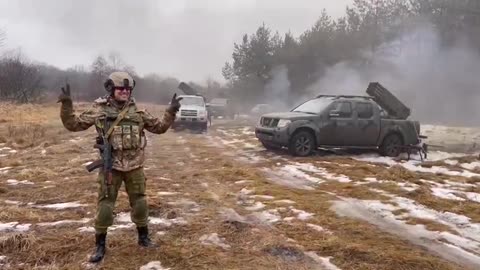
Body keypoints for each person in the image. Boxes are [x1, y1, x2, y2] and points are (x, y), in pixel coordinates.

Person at [57, 71, 182, 263]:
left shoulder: (138, 112)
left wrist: (171, 111)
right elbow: (73, 124)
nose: (125, 92)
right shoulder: (99, 110)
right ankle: (100, 245)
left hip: (135, 166)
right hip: (111, 167)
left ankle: (143, 238)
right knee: (105, 206)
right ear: (111, 89)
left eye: (128, 89)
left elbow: (160, 127)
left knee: (140, 203)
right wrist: (67, 105)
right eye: (121, 88)